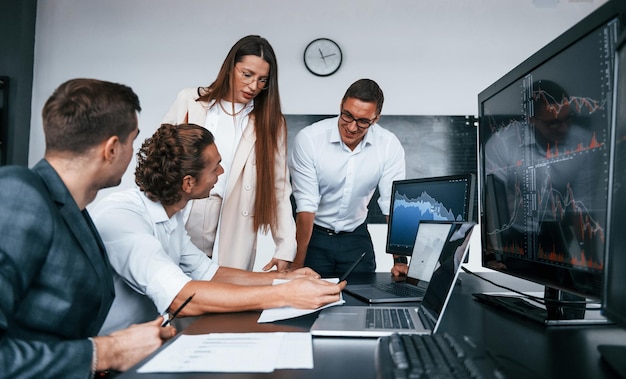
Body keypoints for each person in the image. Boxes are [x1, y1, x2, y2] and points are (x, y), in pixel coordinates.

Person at [92, 123, 346, 335]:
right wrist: (284, 294)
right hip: (111, 358)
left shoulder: (171, 215)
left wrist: (283, 278)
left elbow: (207, 272)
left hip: (148, 341)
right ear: (188, 183)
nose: (222, 172)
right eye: (215, 167)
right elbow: (182, 298)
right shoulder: (123, 218)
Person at [0, 78, 176, 378]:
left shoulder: (72, 208)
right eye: (133, 140)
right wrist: (109, 351)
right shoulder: (20, 194)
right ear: (111, 149)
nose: (133, 152)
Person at [162, 35, 294, 272]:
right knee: (169, 290)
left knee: (225, 295)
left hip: (233, 220)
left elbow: (280, 188)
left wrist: (285, 247)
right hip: (183, 210)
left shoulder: (271, 122)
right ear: (230, 67)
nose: (254, 86)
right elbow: (158, 158)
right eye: (247, 74)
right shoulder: (190, 100)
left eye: (263, 80)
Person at [288, 78, 406, 275]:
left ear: (376, 118)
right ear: (341, 105)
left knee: (363, 301)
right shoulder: (310, 139)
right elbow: (306, 203)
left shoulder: (388, 144)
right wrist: (297, 264)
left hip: (356, 236)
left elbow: (392, 205)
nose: (352, 128)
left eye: (362, 121)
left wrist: (400, 260)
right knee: (310, 301)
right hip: (314, 235)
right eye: (347, 116)